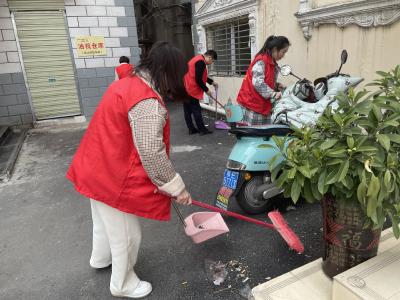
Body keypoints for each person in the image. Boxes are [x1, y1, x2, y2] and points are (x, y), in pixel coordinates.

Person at [67, 42, 192, 299]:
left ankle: (101, 259)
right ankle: (123, 284)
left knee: (103, 223)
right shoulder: (145, 100)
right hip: (111, 175)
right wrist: (176, 187)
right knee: (127, 233)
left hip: (94, 165)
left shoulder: (125, 83)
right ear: (168, 71)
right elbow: (150, 150)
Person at [236, 35, 290, 125]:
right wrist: (273, 93)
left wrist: (276, 85)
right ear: (275, 49)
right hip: (251, 104)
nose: (283, 55)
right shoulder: (261, 61)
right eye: (283, 52)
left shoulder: (271, 62)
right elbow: (258, 82)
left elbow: (266, 79)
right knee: (252, 133)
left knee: (261, 133)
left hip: (260, 103)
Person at [183, 50, 218, 135]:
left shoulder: (196, 59)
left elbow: (199, 76)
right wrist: (207, 90)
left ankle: (191, 129)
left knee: (187, 110)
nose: (211, 63)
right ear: (209, 57)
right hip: (192, 89)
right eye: (212, 61)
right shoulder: (201, 62)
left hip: (186, 87)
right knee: (196, 109)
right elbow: (198, 79)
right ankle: (202, 130)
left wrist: (211, 82)